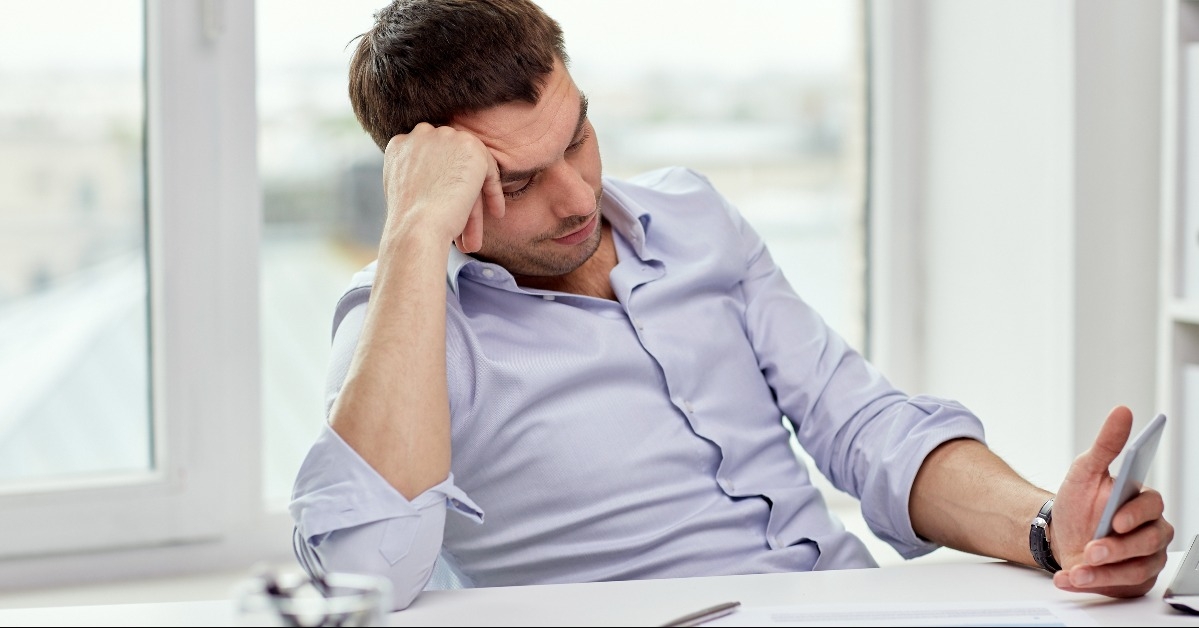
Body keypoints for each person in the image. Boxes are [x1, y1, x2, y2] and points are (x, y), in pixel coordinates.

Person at [289, 0, 1174, 610]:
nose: (574, 197)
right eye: (514, 181)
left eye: (578, 137)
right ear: (429, 178)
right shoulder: (398, 324)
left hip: (846, 609)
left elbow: (863, 426)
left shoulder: (691, 217)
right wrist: (411, 239)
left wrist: (1049, 531)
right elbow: (365, 575)